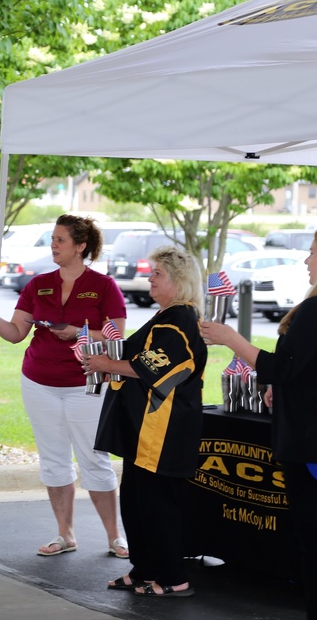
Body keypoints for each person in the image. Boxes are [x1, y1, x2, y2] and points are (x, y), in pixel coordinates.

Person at [201, 228, 317, 620]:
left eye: (313, 253)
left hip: (314, 440)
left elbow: (280, 367)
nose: (306, 261)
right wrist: (286, 390)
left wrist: (231, 338)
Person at [0, 214, 129, 560]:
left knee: (93, 458)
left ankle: (115, 537)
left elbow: (117, 335)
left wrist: (77, 332)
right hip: (39, 382)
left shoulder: (104, 286)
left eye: (60, 240)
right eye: (53, 240)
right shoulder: (37, 283)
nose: (53, 245)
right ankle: (65, 534)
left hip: (85, 383)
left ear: (80, 246)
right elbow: (15, 333)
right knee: (54, 460)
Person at [88, 245, 206, 598]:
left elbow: (152, 367)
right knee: (137, 501)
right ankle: (145, 568)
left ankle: (173, 576)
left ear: (178, 280)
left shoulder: (181, 319)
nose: (150, 280)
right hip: (143, 431)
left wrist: (106, 366)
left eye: (158, 274)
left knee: (157, 505)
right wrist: (102, 353)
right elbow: (135, 353)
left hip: (163, 430)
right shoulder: (166, 316)